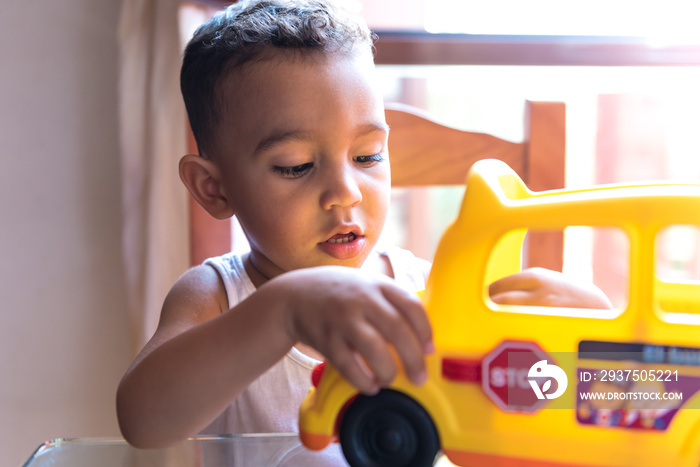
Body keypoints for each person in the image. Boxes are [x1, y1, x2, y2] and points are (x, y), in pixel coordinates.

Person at [116, 0, 612, 450]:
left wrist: (589, 347)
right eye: (295, 165)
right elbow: (142, 422)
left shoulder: (431, 292)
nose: (346, 192)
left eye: (368, 155)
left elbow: (544, 410)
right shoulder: (218, 296)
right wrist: (284, 311)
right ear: (213, 188)